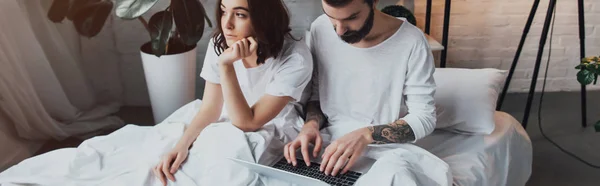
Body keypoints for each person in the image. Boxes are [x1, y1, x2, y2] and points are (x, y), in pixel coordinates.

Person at [153, 0, 312, 185]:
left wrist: (226, 65)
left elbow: (248, 123)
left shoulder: (295, 58)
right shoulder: (220, 42)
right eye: (223, 11)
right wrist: (181, 145)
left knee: (230, 168)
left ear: (264, 18)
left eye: (240, 14)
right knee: (181, 163)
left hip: (273, 126)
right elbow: (210, 109)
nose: (226, 24)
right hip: (229, 115)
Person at [283, 0, 444, 182]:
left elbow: (424, 119)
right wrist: (310, 125)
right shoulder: (320, 28)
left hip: (385, 151)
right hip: (328, 144)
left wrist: (365, 135)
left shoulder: (411, 41)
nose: (339, 30)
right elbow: (317, 97)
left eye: (352, 17)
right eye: (331, 18)